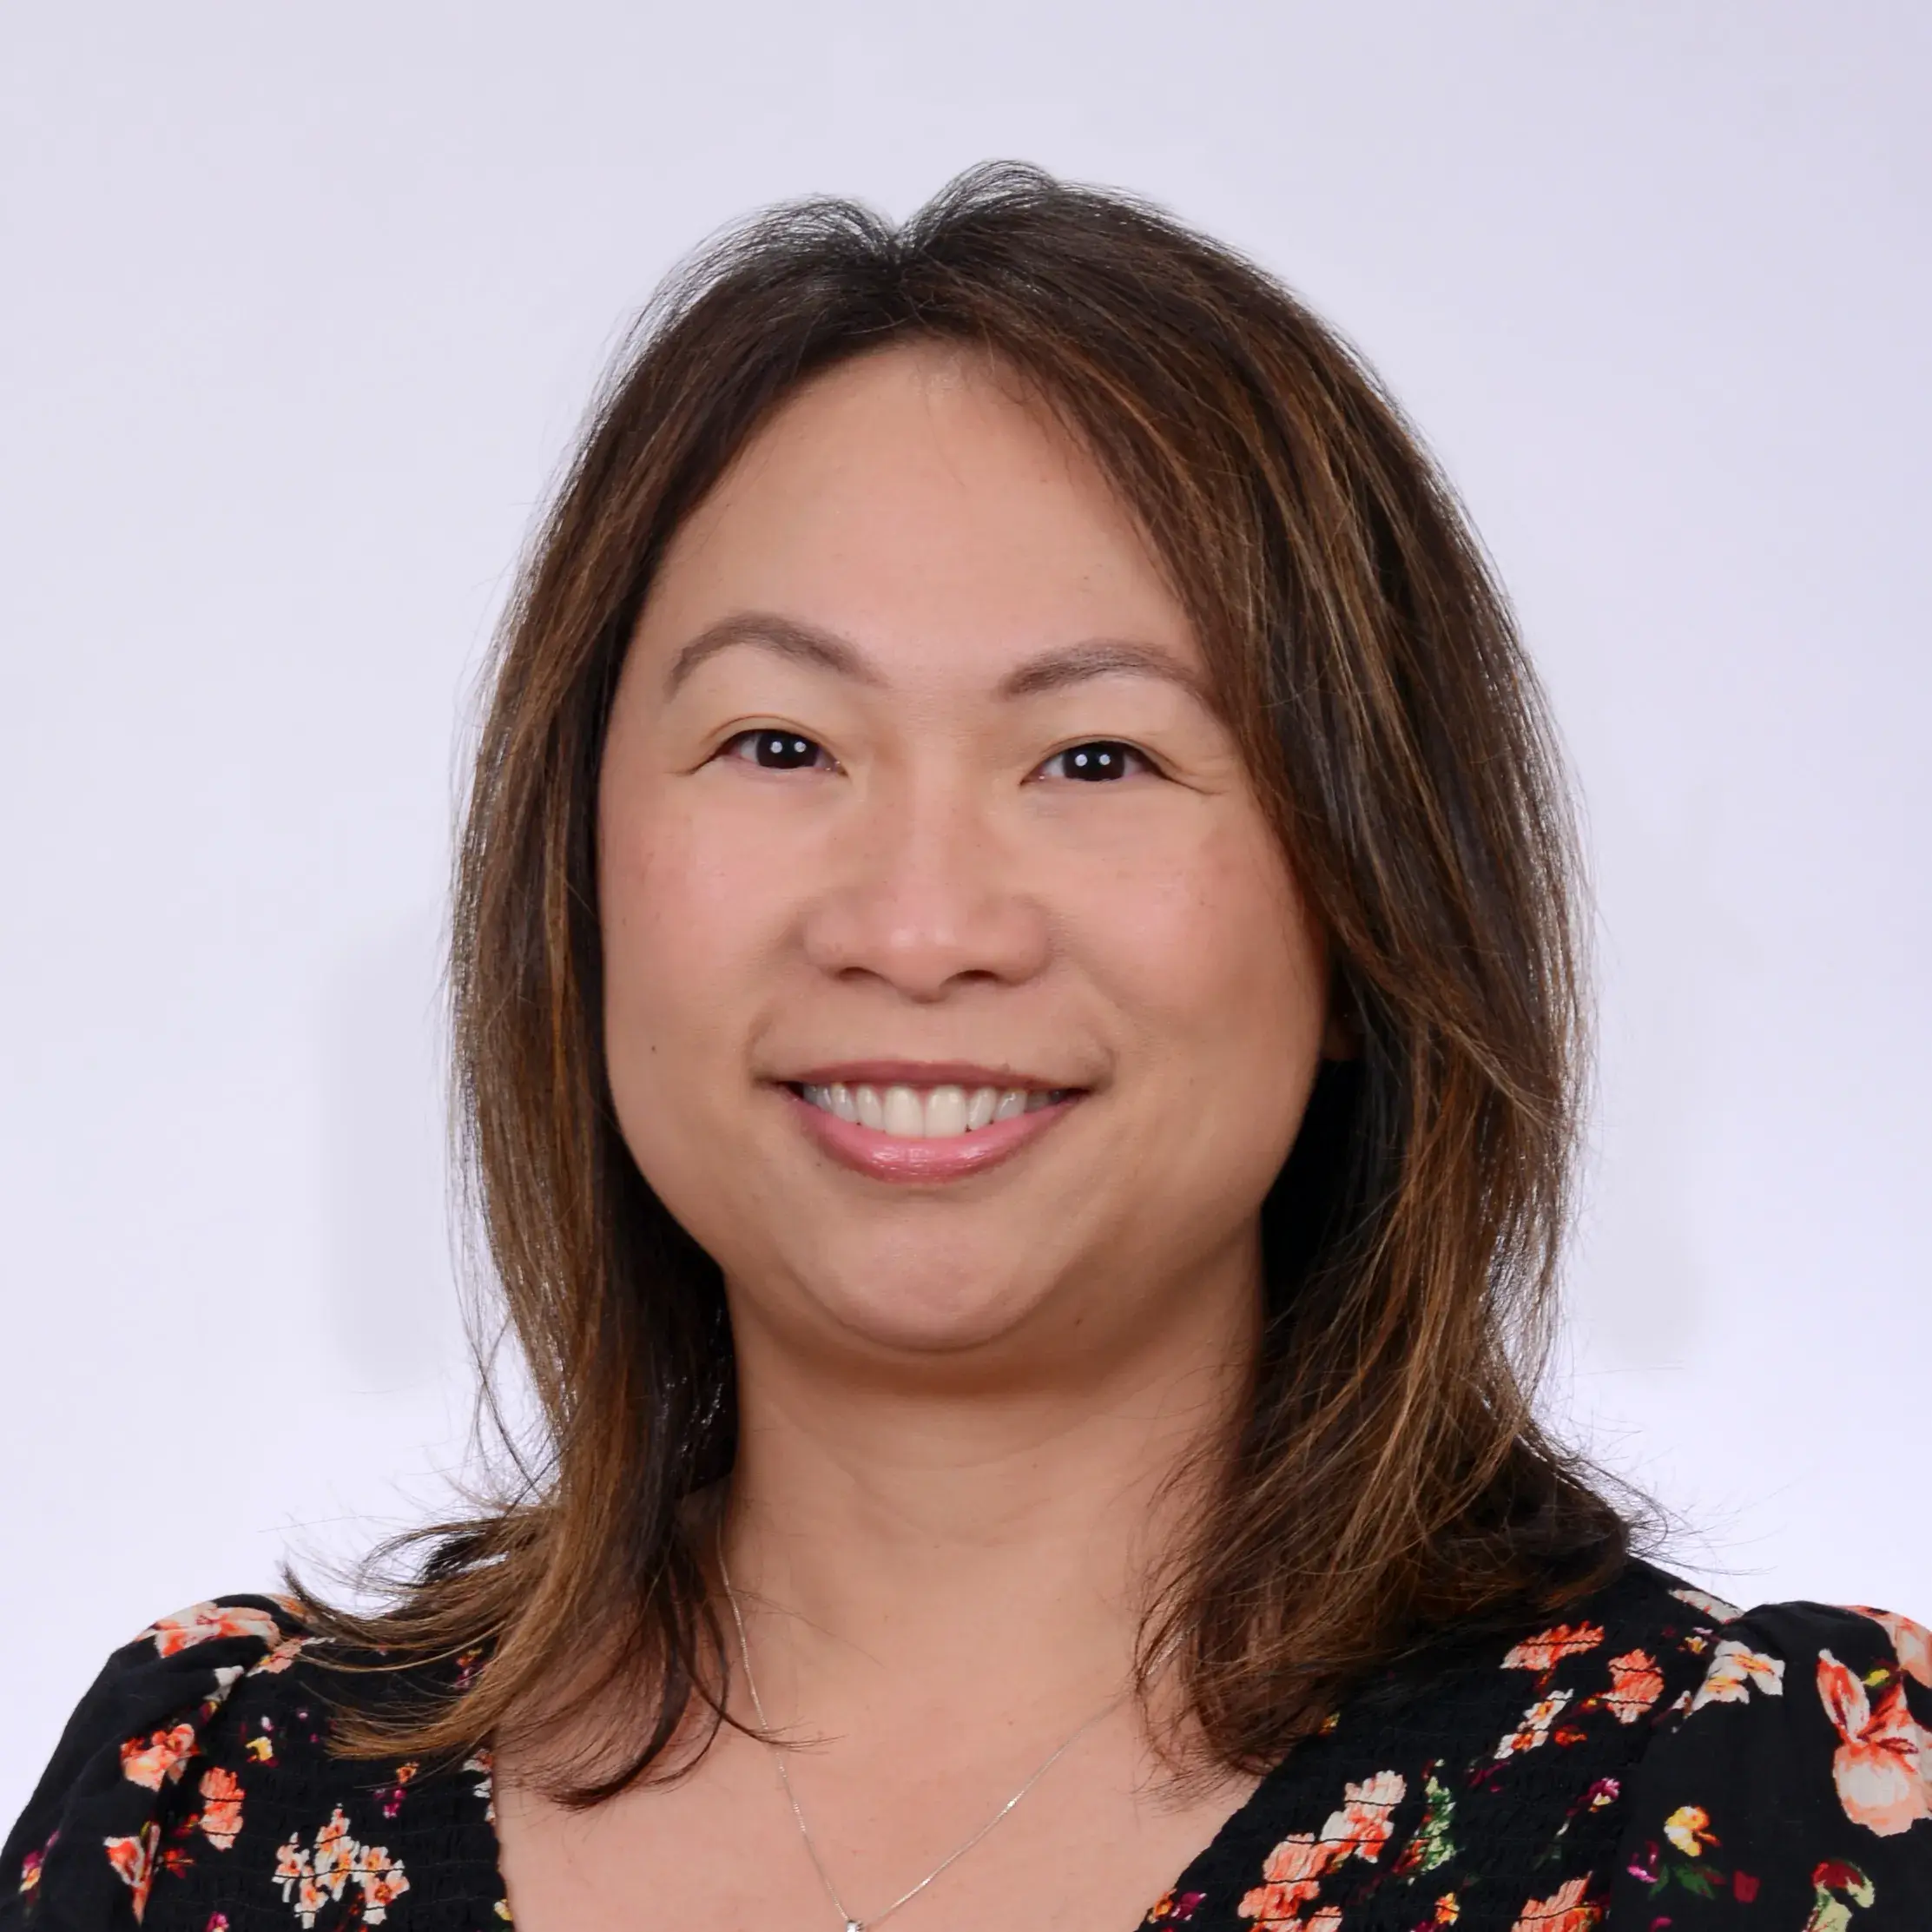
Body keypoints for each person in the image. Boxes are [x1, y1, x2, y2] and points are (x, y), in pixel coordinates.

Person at [4, 164, 1927, 1932]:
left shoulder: (1741, 1812)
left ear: (1363, 909)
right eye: (780, 745)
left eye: (1096, 757)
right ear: (574, 886)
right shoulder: (210, 1815)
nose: (917, 927)